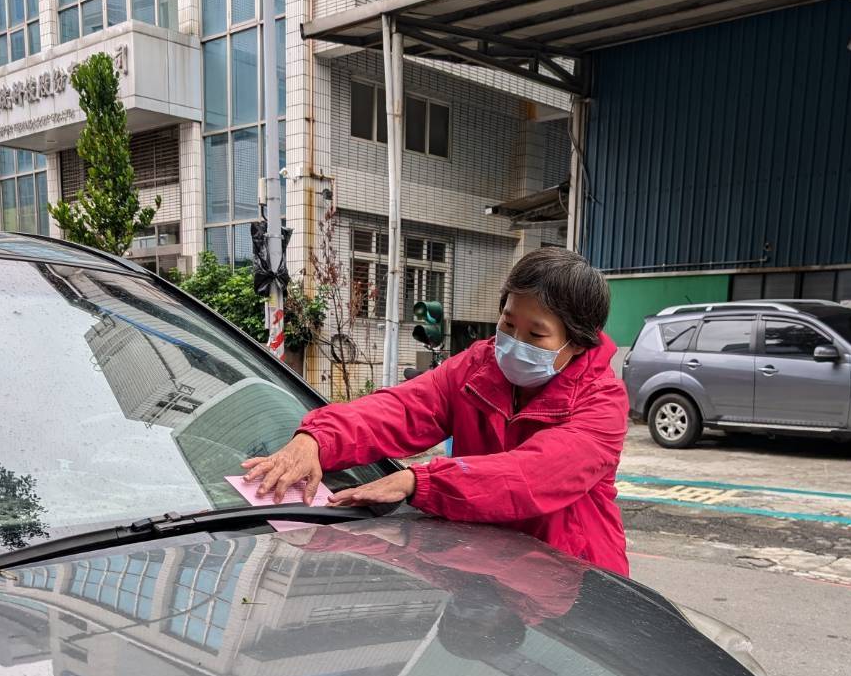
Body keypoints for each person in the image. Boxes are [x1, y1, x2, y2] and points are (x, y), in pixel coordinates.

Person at [240, 247, 630, 576]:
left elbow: (533, 474)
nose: (513, 342)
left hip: (571, 579)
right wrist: (318, 439)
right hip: (481, 563)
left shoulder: (601, 402)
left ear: (577, 342)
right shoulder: (479, 367)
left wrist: (420, 482)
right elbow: (403, 408)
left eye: (536, 334)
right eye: (508, 324)